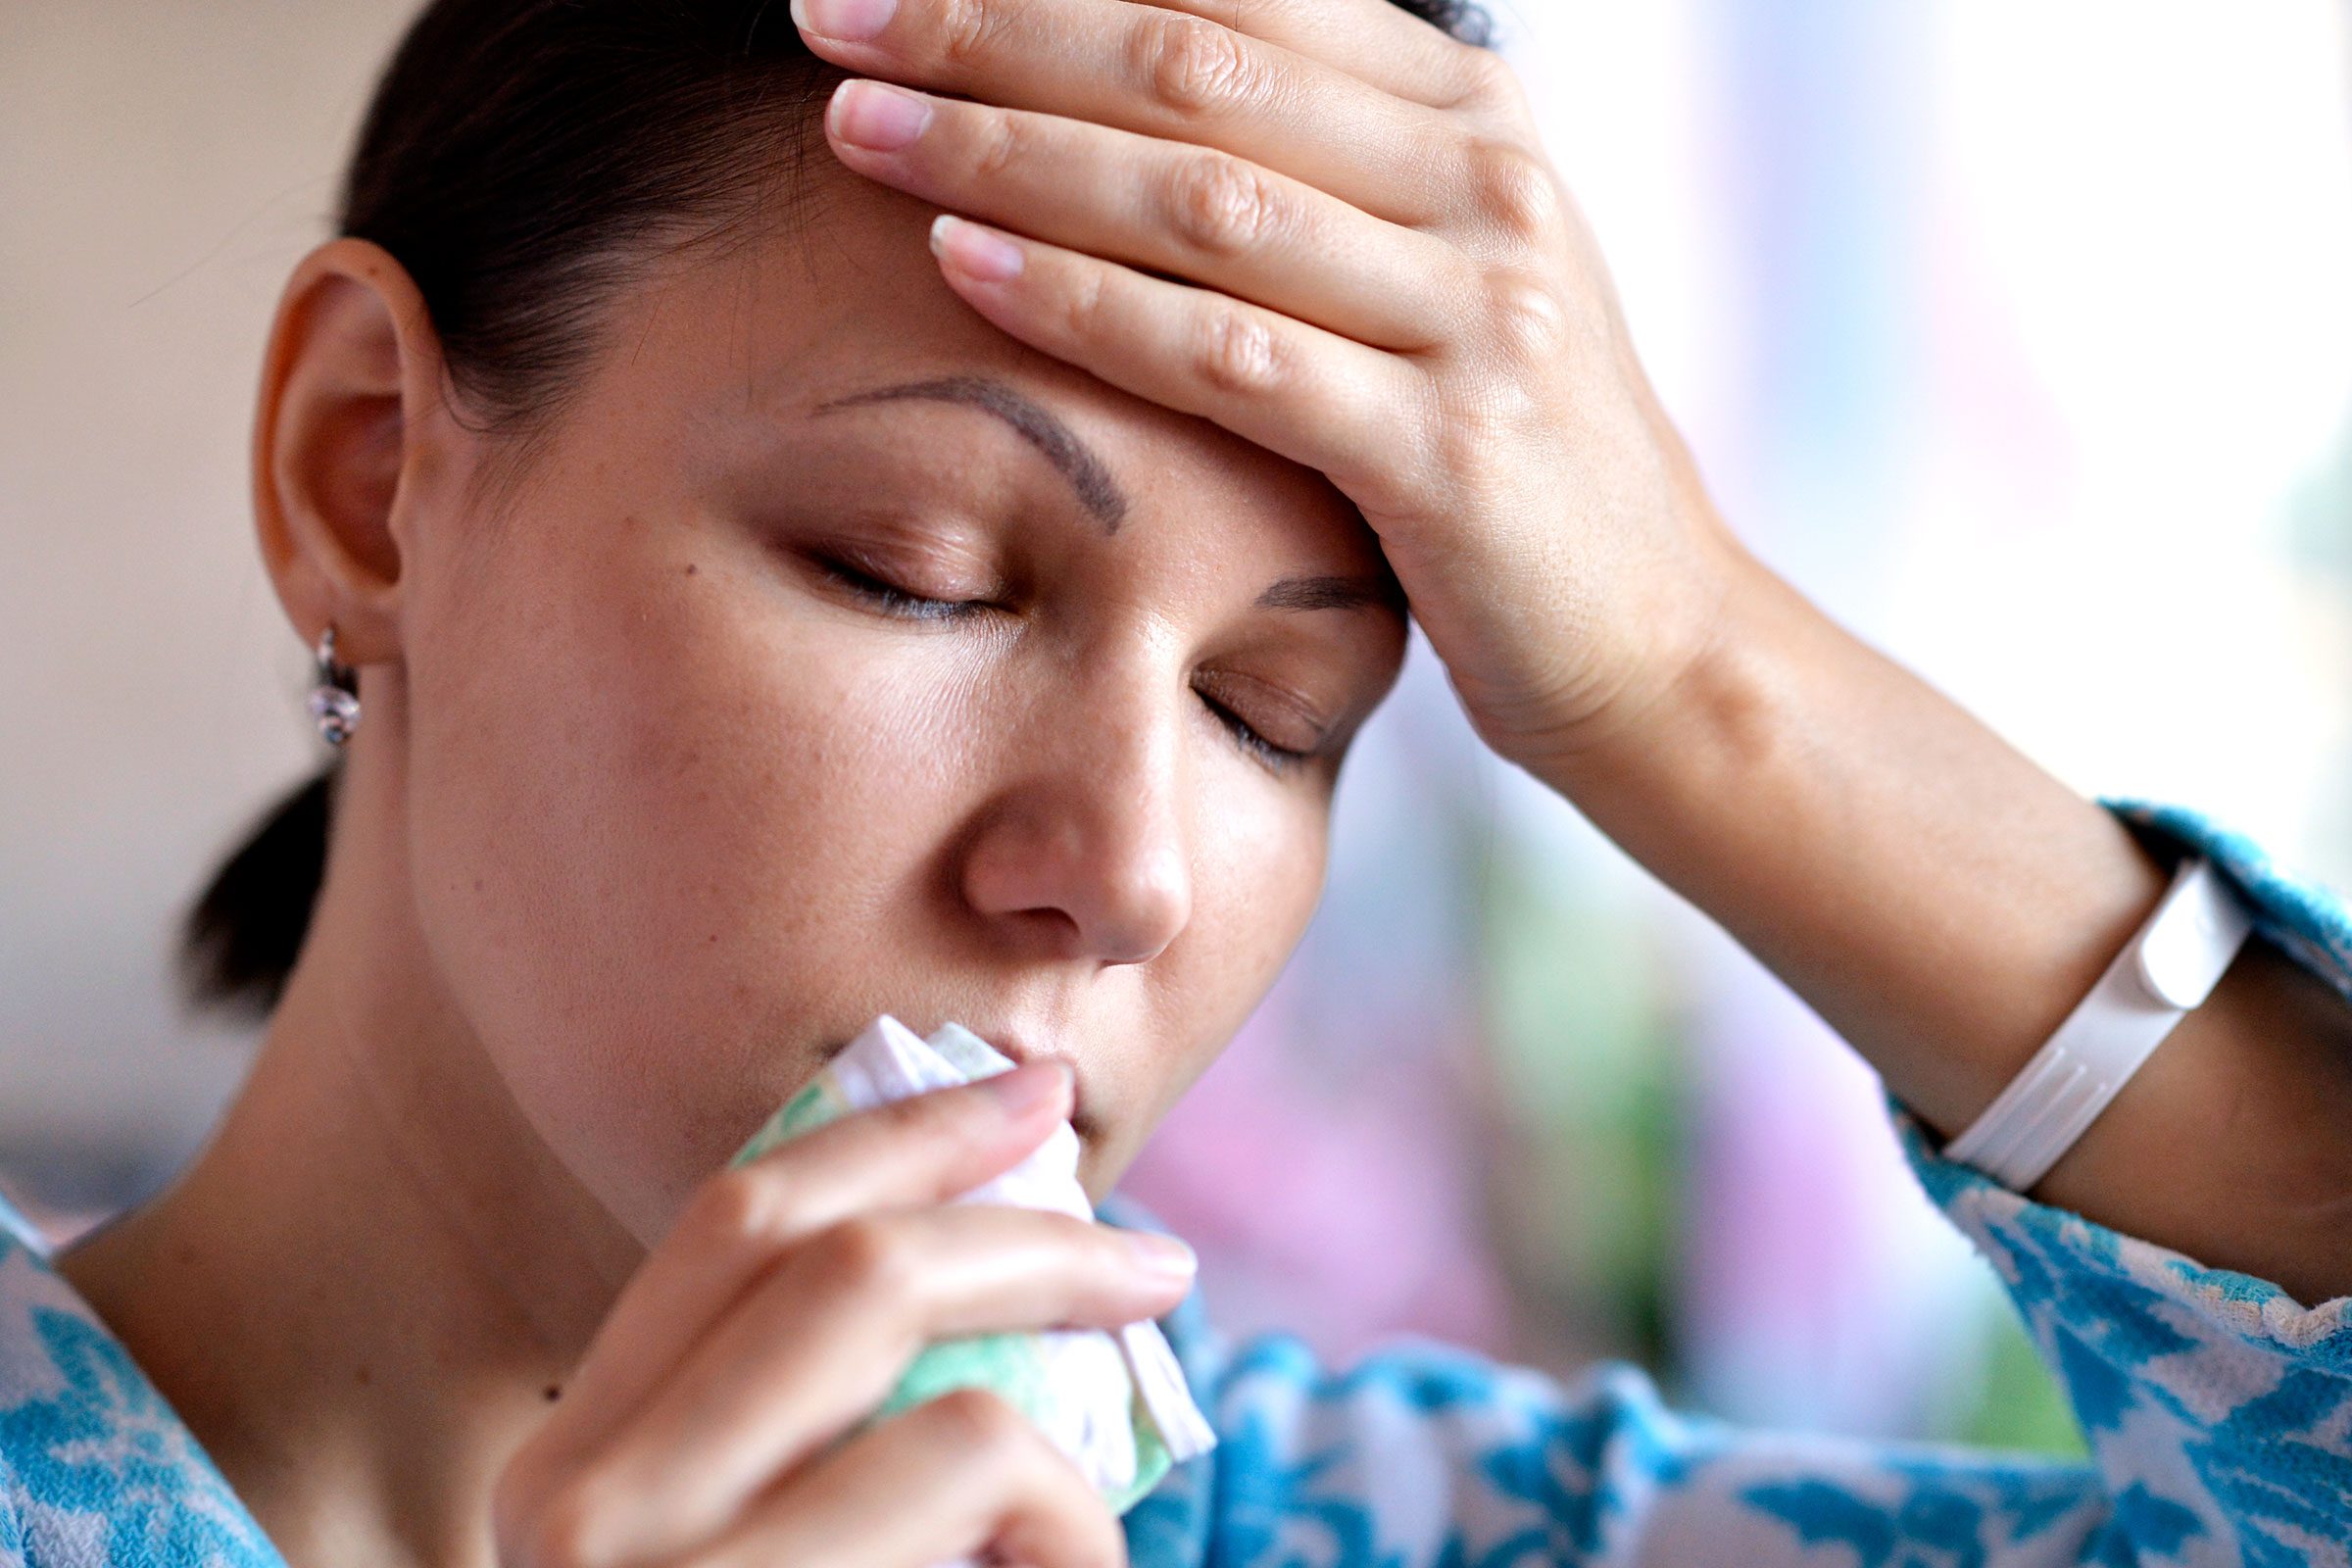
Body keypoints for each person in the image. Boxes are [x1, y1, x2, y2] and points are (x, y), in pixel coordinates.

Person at [3, 0, 2348, 1562]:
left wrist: (1697, 673)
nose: (1122, 867)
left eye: (1278, 720)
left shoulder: (1340, 1516)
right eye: (915, 573)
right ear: (370, 466)